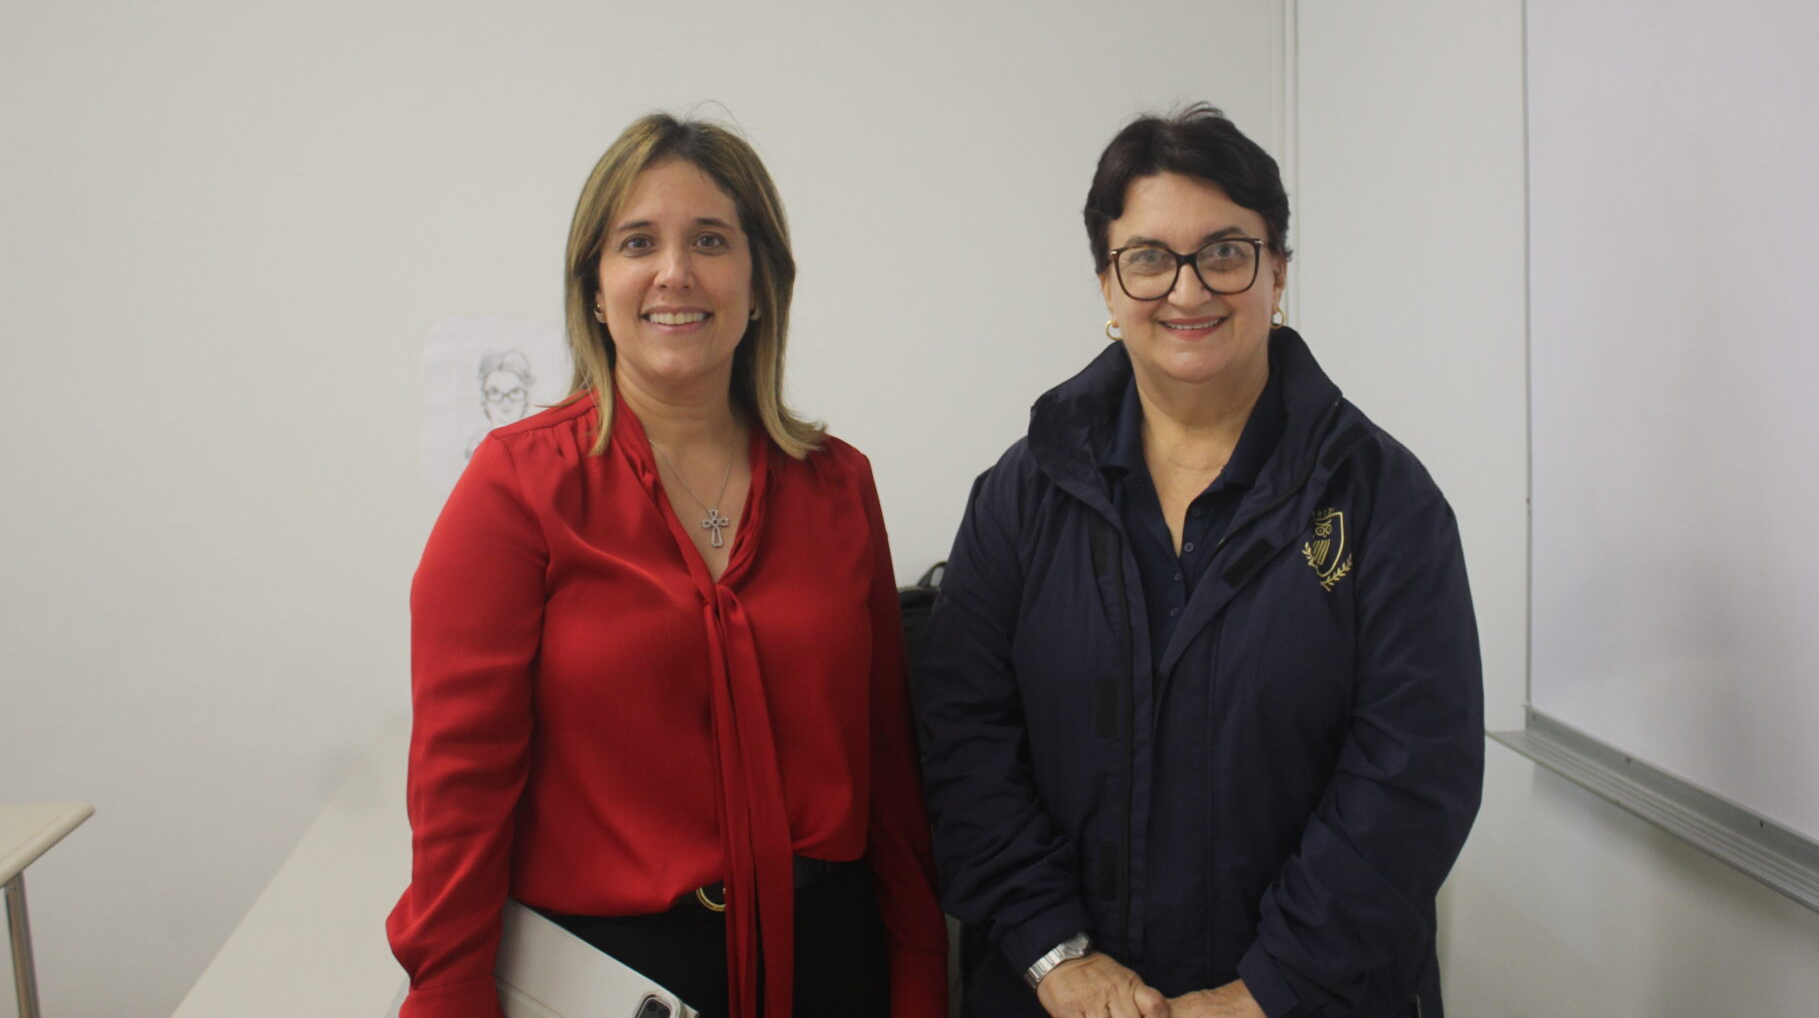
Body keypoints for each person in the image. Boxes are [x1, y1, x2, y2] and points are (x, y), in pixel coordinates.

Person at [917, 106, 1483, 1018]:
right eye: (1149, 257)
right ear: (1107, 284)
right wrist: (1056, 954)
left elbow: (1414, 772)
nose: (1187, 290)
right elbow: (963, 736)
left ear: (1278, 270)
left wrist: (1268, 990)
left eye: (1225, 251)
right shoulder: (1022, 495)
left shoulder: (1383, 499)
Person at [389, 113, 950, 1018]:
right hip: (610, 980)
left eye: (711, 240)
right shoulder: (517, 487)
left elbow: (888, 771)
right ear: (595, 289)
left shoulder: (839, 485)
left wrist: (921, 970)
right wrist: (450, 993)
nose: (675, 271)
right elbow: (459, 789)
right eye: (638, 242)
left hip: (832, 965)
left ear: (760, 284)